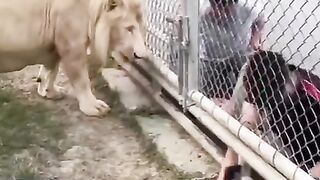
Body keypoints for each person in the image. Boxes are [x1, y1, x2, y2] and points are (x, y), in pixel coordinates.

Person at [199, 0, 266, 100]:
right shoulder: (200, 7)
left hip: (240, 50)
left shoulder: (249, 6)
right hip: (211, 54)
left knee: (250, 82)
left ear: (234, 4)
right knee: (206, 93)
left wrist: (255, 39)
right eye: (215, 8)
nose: (220, 13)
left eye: (225, 9)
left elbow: (261, 20)